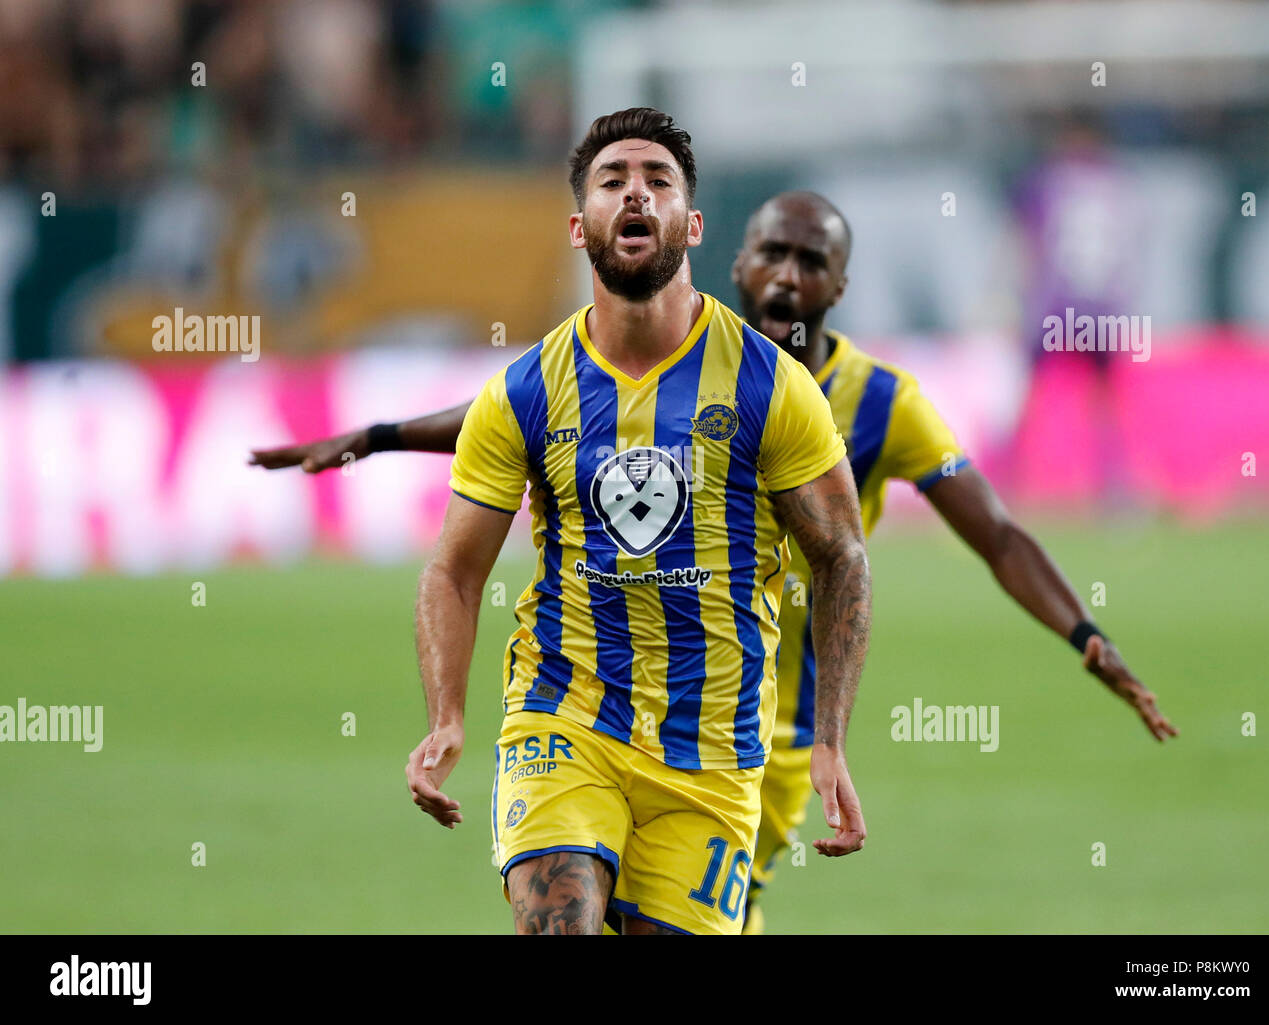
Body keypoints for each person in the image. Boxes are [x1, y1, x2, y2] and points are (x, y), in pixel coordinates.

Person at [252, 188, 1176, 934]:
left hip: (764, 729)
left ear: (840, 287)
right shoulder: (684, 361)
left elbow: (998, 535)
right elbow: (514, 412)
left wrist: (1087, 636)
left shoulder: (879, 401)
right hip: (597, 699)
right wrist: (375, 433)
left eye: (812, 261)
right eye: (771, 253)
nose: (786, 274)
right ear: (736, 265)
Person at [268, 108, 872, 935]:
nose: (636, 194)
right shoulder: (523, 391)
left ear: (690, 224)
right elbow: (454, 569)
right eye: (612, 181)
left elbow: (842, 557)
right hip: (566, 720)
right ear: (578, 224)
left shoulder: (771, 385)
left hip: (716, 748)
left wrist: (831, 739)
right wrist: (447, 713)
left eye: (658, 181)